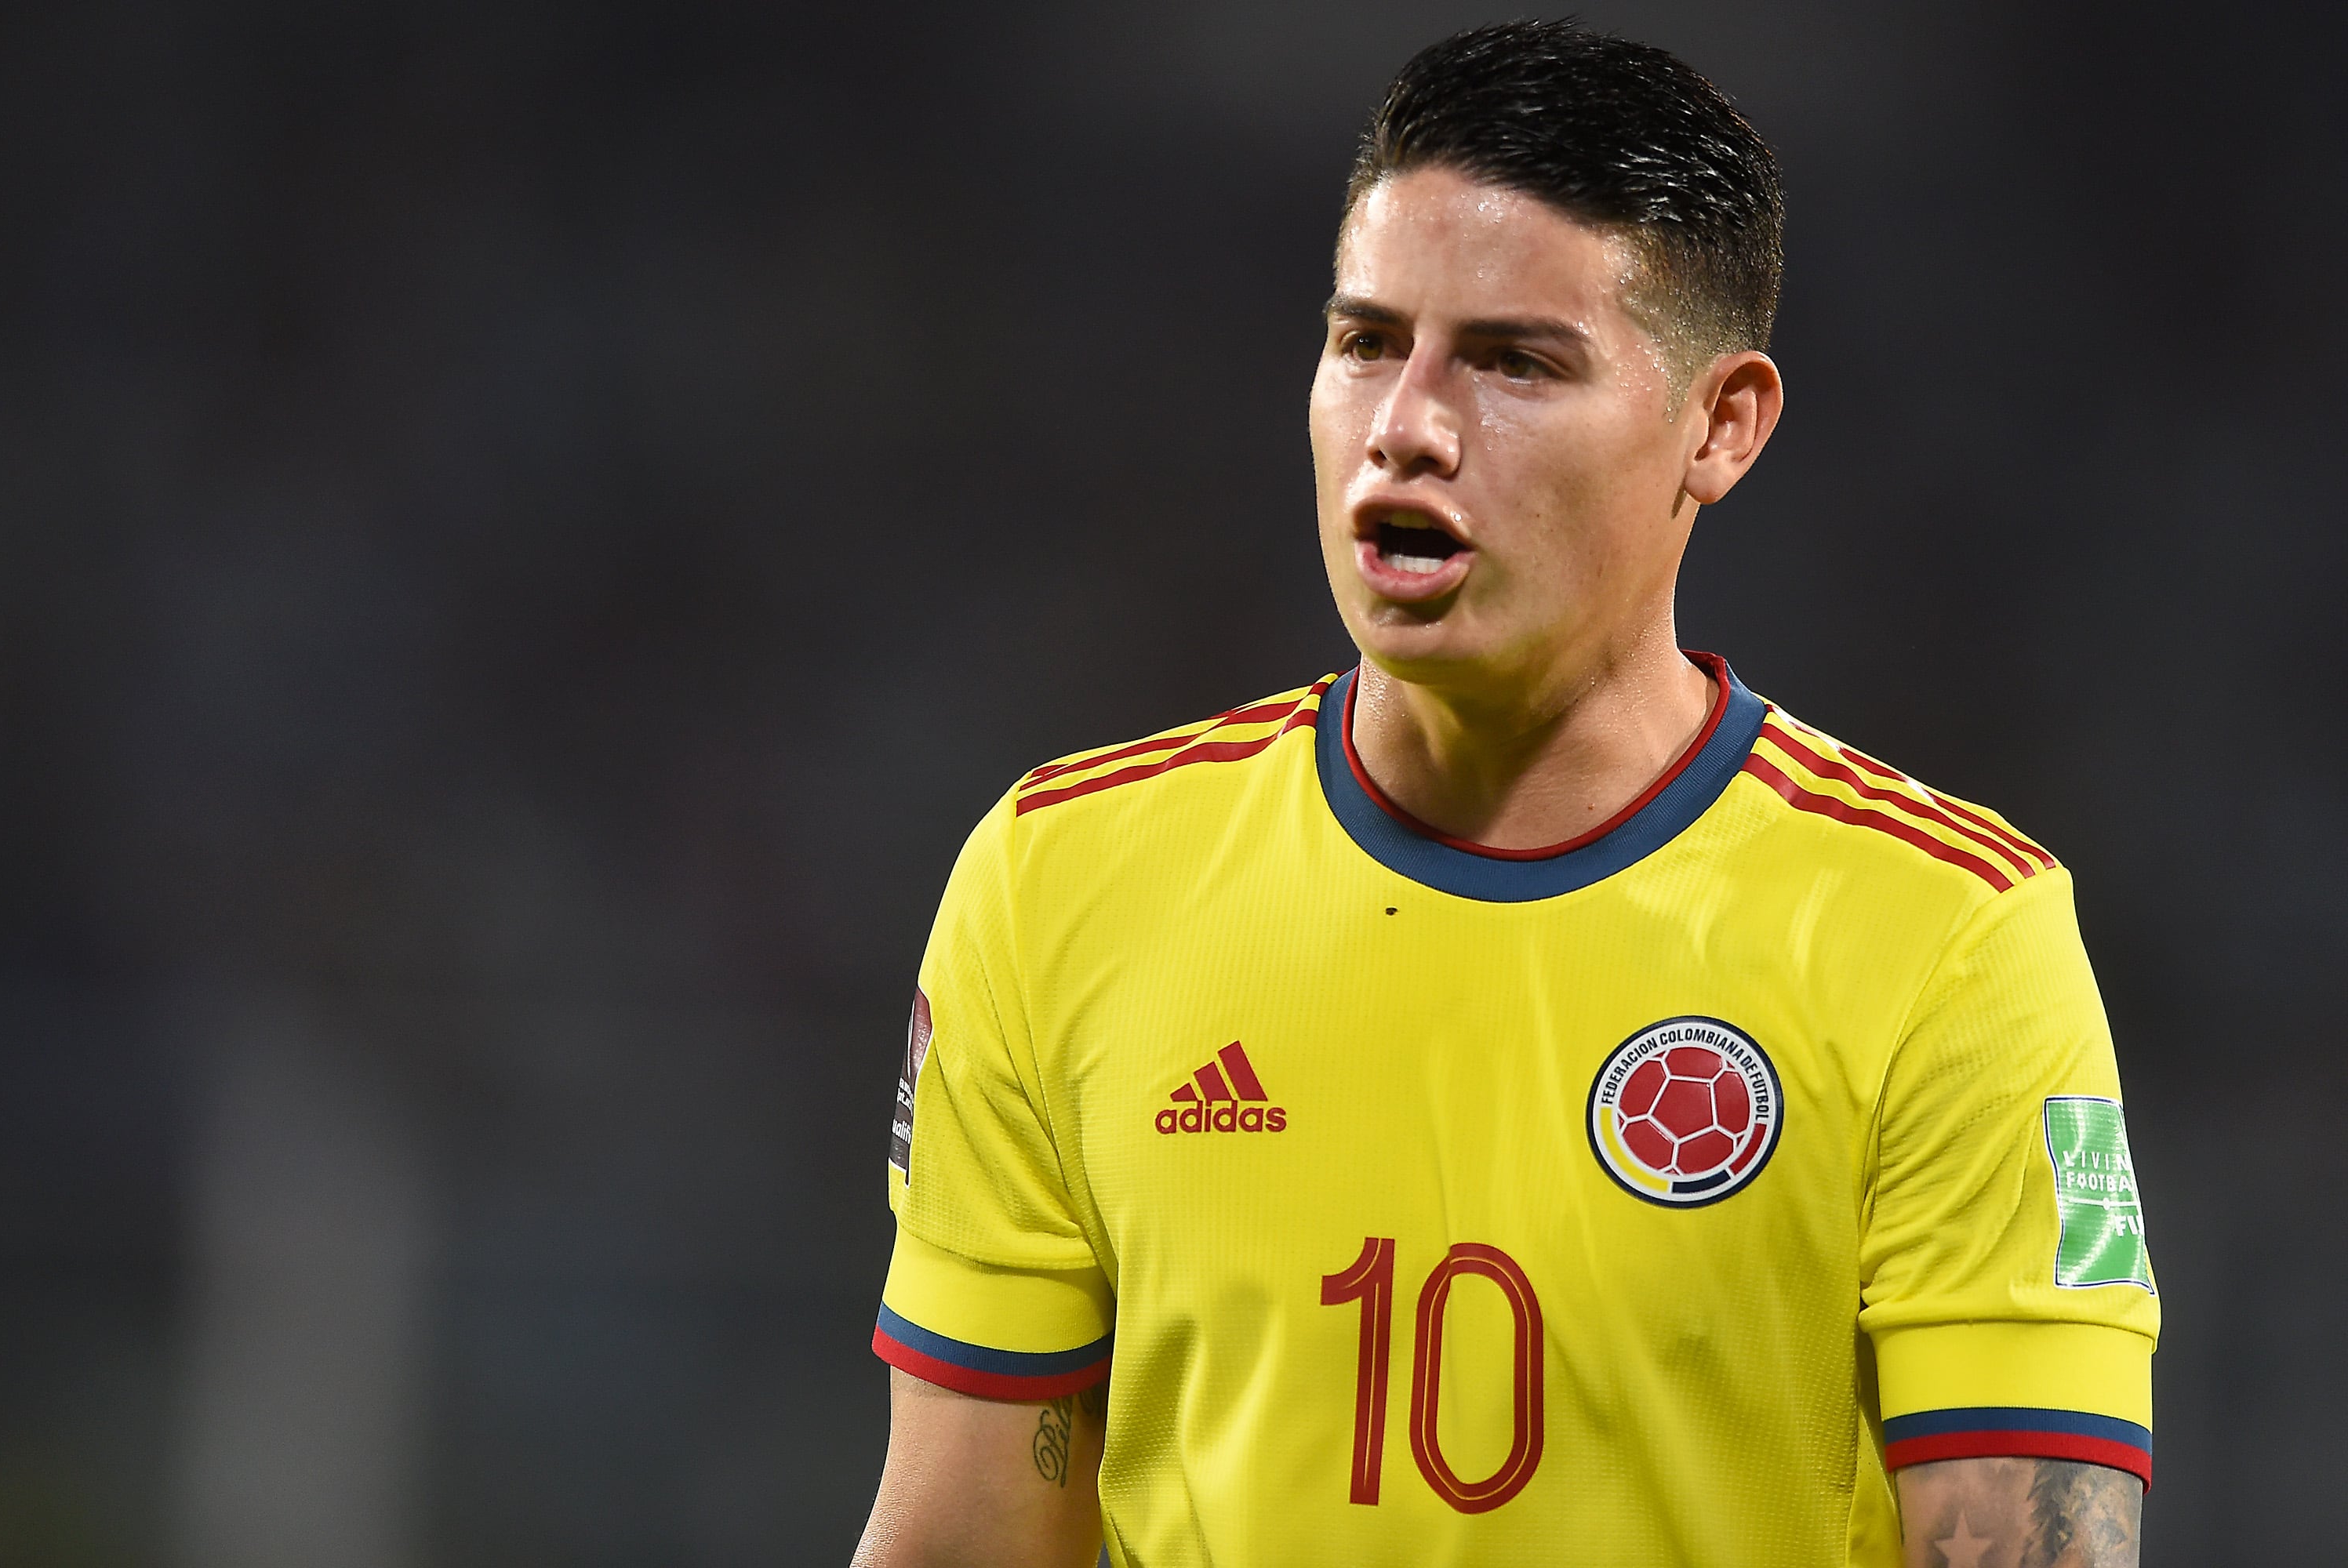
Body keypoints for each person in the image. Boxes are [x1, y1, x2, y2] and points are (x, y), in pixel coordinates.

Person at [852, 20, 2156, 1567]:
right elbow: (966, 1538)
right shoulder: (1059, 881)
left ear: (1721, 425)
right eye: (1364, 342)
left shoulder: (1949, 938)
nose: (1407, 422)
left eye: (1514, 361)